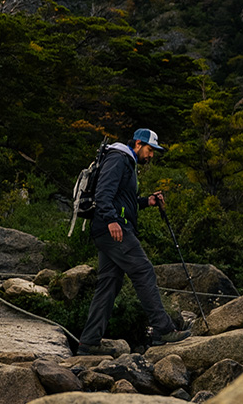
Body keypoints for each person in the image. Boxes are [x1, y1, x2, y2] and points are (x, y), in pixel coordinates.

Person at [76, 128, 191, 355]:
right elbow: (103, 192)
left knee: (108, 285)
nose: (151, 155)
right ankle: (162, 329)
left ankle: (88, 343)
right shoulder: (119, 158)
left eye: (153, 152)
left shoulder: (126, 162)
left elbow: (122, 199)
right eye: (149, 150)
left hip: (109, 229)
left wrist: (144, 201)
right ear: (138, 144)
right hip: (114, 229)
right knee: (143, 270)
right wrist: (111, 220)